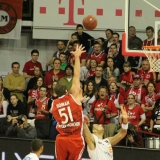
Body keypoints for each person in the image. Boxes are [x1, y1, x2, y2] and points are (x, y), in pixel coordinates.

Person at [50, 45, 86, 160]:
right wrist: (76, 56)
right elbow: (77, 75)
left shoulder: (53, 104)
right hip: (75, 138)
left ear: (55, 94)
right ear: (66, 90)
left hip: (61, 139)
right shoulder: (74, 96)